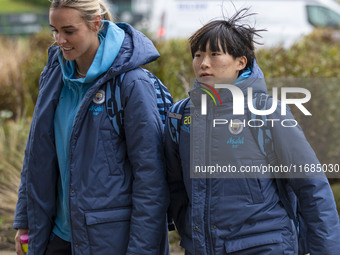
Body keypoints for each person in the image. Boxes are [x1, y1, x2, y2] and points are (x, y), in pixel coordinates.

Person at [165, 8, 340, 255]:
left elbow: (312, 187)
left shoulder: (267, 112)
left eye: (215, 54)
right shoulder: (181, 116)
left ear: (240, 62)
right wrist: (191, 235)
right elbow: (177, 189)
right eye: (198, 55)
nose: (204, 63)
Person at [13, 0, 170, 254]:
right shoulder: (54, 74)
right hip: (56, 238)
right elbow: (36, 154)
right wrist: (25, 220)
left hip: (110, 242)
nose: (60, 39)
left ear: (96, 23)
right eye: (54, 30)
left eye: (69, 31)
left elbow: (151, 179)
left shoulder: (132, 83)